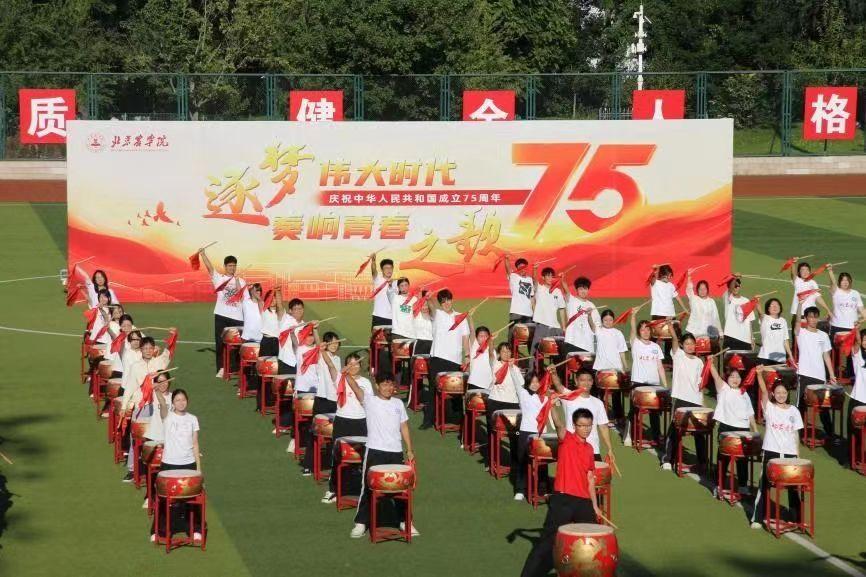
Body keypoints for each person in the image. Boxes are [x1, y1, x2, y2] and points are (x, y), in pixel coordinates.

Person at [519, 407, 602, 577]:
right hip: (563, 499)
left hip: (584, 501)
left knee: (593, 540)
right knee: (548, 541)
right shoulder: (566, 439)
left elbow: (590, 478)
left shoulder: (589, 448)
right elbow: (558, 423)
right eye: (582, 425)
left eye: (589, 425)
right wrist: (552, 404)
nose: (586, 429)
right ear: (575, 425)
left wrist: (595, 505)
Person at [346, 371, 416, 539]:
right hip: (375, 451)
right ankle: (361, 522)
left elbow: (404, 427)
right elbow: (355, 387)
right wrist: (346, 374)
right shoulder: (369, 401)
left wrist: (409, 450)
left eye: (391, 384)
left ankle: (404, 521)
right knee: (368, 487)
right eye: (384, 384)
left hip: (395, 452)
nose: (388, 388)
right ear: (377, 386)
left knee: (400, 489)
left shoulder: (398, 404)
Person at [751, 367, 803, 529]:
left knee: (793, 486)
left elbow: (795, 434)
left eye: (784, 392)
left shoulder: (794, 411)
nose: (781, 395)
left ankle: (797, 516)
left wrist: (797, 455)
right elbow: (763, 391)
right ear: (773, 394)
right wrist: (759, 374)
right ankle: (757, 518)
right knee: (764, 485)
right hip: (771, 452)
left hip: (790, 454)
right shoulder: (770, 408)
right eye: (778, 392)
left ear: (788, 394)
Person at [152, 388, 202, 543]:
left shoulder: (193, 419)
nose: (181, 403)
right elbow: (162, 402)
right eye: (177, 400)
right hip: (169, 464)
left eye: (183, 400)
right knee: (163, 499)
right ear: (173, 403)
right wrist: (156, 389)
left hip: (188, 464)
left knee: (192, 499)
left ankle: (195, 529)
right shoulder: (168, 417)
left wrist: (198, 468)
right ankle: (159, 531)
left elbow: (195, 443)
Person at [321, 352, 369, 504]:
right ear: (345, 365)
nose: (353, 367)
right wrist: (321, 349)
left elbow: (363, 398)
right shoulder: (339, 378)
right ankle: (333, 489)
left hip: (360, 422)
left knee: (362, 458)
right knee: (337, 456)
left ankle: (362, 490)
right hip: (342, 421)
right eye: (350, 364)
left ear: (360, 366)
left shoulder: (366, 382)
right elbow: (330, 364)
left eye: (356, 364)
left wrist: (347, 376)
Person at [421, 289, 470, 430]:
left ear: (452, 300)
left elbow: (465, 338)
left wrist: (467, 356)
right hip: (437, 357)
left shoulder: (461, 317)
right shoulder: (437, 314)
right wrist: (428, 297)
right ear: (440, 303)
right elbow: (431, 306)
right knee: (433, 389)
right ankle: (429, 419)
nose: (446, 303)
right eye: (443, 302)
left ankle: (456, 420)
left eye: (448, 300)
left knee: (455, 391)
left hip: (454, 360)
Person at [661, 325, 707, 471]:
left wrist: (702, 402)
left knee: (699, 433)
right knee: (675, 430)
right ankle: (668, 459)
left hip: (696, 400)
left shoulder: (699, 362)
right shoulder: (678, 356)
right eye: (687, 343)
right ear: (682, 345)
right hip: (680, 398)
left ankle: (703, 462)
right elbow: (674, 341)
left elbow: (701, 383)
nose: (690, 346)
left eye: (692, 343)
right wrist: (672, 329)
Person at [708, 363, 758, 494]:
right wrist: (710, 363)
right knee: (723, 458)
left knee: (742, 459)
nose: (735, 379)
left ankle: (742, 485)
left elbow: (750, 413)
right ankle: (719, 485)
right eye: (732, 376)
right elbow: (715, 376)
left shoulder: (744, 393)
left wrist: (755, 430)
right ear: (727, 378)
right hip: (726, 427)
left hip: (743, 429)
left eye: (737, 377)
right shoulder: (723, 389)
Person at [623, 305, 667, 447]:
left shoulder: (656, 347)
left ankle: (656, 436)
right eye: (642, 329)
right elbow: (632, 331)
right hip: (638, 383)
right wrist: (633, 315)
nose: (646, 332)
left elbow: (660, 367)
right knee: (634, 410)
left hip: (654, 384)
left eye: (648, 329)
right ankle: (628, 435)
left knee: (655, 412)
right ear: (639, 332)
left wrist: (665, 385)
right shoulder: (635, 343)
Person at [555, 369, 616, 469]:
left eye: (589, 380)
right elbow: (558, 385)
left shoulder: (598, 403)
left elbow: (603, 427)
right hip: (573, 450)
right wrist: (553, 373)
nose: (586, 383)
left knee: (594, 478)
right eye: (582, 380)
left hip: (593, 450)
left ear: (592, 382)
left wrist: (610, 449)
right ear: (576, 381)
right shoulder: (569, 397)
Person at [794, 304, 837, 444]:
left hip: (819, 376)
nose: (813, 319)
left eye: (815, 317)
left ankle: (830, 434)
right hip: (804, 375)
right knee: (801, 405)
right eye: (810, 317)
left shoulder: (823, 335)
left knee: (824, 406)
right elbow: (797, 322)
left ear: (818, 318)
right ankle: (797, 433)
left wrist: (831, 375)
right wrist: (800, 304)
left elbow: (826, 356)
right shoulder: (801, 333)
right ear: (806, 318)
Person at [199, 250, 245, 378]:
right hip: (221, 315)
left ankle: (235, 368)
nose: (232, 268)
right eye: (230, 265)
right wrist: (203, 254)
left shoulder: (241, 281)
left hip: (237, 317)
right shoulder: (219, 279)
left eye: (234, 265)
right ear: (225, 266)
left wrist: (236, 280)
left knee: (237, 345)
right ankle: (221, 368)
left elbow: (241, 296)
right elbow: (210, 268)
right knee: (220, 343)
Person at [301, 331, 341, 476]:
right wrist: (316, 331)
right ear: (326, 344)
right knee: (314, 433)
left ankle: (331, 464)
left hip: (334, 401)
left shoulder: (338, 359)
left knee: (334, 434)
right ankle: (308, 465)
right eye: (331, 342)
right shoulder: (320, 355)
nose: (334, 345)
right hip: (322, 399)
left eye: (336, 342)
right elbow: (319, 346)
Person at [511, 369, 551, 502]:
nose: (534, 384)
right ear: (527, 383)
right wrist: (511, 367)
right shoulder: (523, 394)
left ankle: (542, 489)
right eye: (532, 382)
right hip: (525, 432)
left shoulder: (545, 397)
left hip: (541, 433)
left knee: (542, 464)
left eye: (537, 381)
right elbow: (516, 380)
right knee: (522, 461)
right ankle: (520, 490)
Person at [588, 309, 629, 425]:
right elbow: (592, 326)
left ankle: (618, 416)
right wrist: (589, 315)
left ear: (613, 320)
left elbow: (622, 351)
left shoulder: (618, 333)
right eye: (605, 320)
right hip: (600, 367)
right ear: (602, 321)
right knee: (598, 394)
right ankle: (597, 415)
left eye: (610, 320)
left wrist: (625, 367)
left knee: (616, 395)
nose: (608, 322)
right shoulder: (599, 330)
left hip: (615, 368)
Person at [485, 342, 522, 472]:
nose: (507, 353)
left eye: (509, 351)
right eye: (504, 351)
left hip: (512, 404)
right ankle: (491, 461)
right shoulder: (495, 364)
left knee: (515, 435)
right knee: (493, 433)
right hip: (496, 402)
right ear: (499, 353)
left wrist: (512, 368)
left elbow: (521, 385)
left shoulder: (515, 368)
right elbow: (490, 354)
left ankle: (515, 463)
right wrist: (491, 343)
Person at [828, 266, 864, 379]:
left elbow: (861, 310)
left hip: (851, 328)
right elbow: (833, 283)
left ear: (850, 282)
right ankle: (833, 374)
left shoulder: (855, 293)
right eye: (843, 280)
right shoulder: (836, 292)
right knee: (835, 351)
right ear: (839, 282)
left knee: (851, 352)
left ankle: (850, 374)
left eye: (847, 280)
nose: (845, 282)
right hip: (837, 326)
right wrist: (830, 271)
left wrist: (862, 320)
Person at [649, 264, 689, 362]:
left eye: (671, 275)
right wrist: (655, 270)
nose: (670, 277)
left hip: (670, 315)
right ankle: (651, 355)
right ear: (664, 274)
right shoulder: (655, 283)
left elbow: (677, 297)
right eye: (669, 275)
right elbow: (651, 278)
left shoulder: (671, 285)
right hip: (658, 314)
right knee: (655, 336)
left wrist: (684, 308)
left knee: (671, 338)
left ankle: (668, 357)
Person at [530, 266, 566, 365]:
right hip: (542, 326)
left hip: (555, 327)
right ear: (543, 277)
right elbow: (534, 280)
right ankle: (533, 372)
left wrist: (563, 327)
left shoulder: (557, 291)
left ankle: (558, 372)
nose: (550, 278)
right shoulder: (539, 289)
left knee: (559, 352)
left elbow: (562, 309)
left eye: (552, 276)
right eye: (548, 276)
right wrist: (535, 269)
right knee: (535, 351)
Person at [788, 260, 831, 341]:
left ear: (810, 271)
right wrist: (793, 263)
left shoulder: (813, 282)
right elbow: (793, 274)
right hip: (798, 315)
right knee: (797, 341)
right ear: (799, 272)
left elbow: (818, 297)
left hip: (811, 316)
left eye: (807, 270)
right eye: (802, 270)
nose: (805, 272)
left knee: (810, 339)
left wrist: (828, 310)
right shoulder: (797, 281)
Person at [563, 276, 600, 355]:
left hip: (587, 345)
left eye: (585, 289)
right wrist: (562, 279)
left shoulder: (592, 306)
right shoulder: (571, 301)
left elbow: (594, 328)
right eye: (580, 289)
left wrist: (589, 316)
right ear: (576, 290)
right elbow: (566, 290)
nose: (583, 291)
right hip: (572, 341)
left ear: (588, 290)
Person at [846, 329, 866, 462]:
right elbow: (857, 342)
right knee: (854, 431)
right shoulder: (857, 356)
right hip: (858, 399)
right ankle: (851, 458)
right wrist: (857, 329)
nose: (865, 342)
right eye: (865, 339)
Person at [756, 298, 793, 365]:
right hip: (765, 356)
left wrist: (790, 355)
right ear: (768, 309)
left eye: (777, 305)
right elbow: (760, 312)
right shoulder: (765, 318)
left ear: (780, 308)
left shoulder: (783, 321)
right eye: (772, 305)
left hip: (780, 357)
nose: (775, 307)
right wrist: (757, 301)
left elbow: (785, 340)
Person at [722, 276, 755, 351]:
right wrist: (734, 277)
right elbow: (730, 289)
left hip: (745, 339)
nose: (735, 288)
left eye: (737, 286)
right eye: (734, 286)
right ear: (729, 287)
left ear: (740, 286)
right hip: (730, 338)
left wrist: (752, 338)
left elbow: (749, 321)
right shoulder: (727, 298)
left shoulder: (746, 301)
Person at [684, 273, 721, 339]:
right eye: (700, 289)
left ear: (707, 290)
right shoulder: (694, 299)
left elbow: (715, 317)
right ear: (697, 290)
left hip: (707, 333)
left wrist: (720, 332)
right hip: (694, 331)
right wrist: (689, 277)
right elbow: (689, 290)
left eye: (704, 289)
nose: (702, 291)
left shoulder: (711, 301)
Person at [505, 256, 535, 327]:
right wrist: (506, 259)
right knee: (514, 333)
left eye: (524, 267)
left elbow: (532, 298)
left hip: (529, 314)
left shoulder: (530, 279)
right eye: (520, 268)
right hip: (516, 312)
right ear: (517, 269)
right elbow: (508, 269)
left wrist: (534, 313)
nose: (522, 269)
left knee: (529, 333)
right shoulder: (514, 277)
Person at [370, 254, 397, 328]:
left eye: (390, 268)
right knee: (378, 336)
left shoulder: (397, 283)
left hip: (393, 318)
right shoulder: (378, 279)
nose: (389, 270)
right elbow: (373, 270)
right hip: (379, 316)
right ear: (382, 270)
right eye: (386, 268)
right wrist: (373, 261)